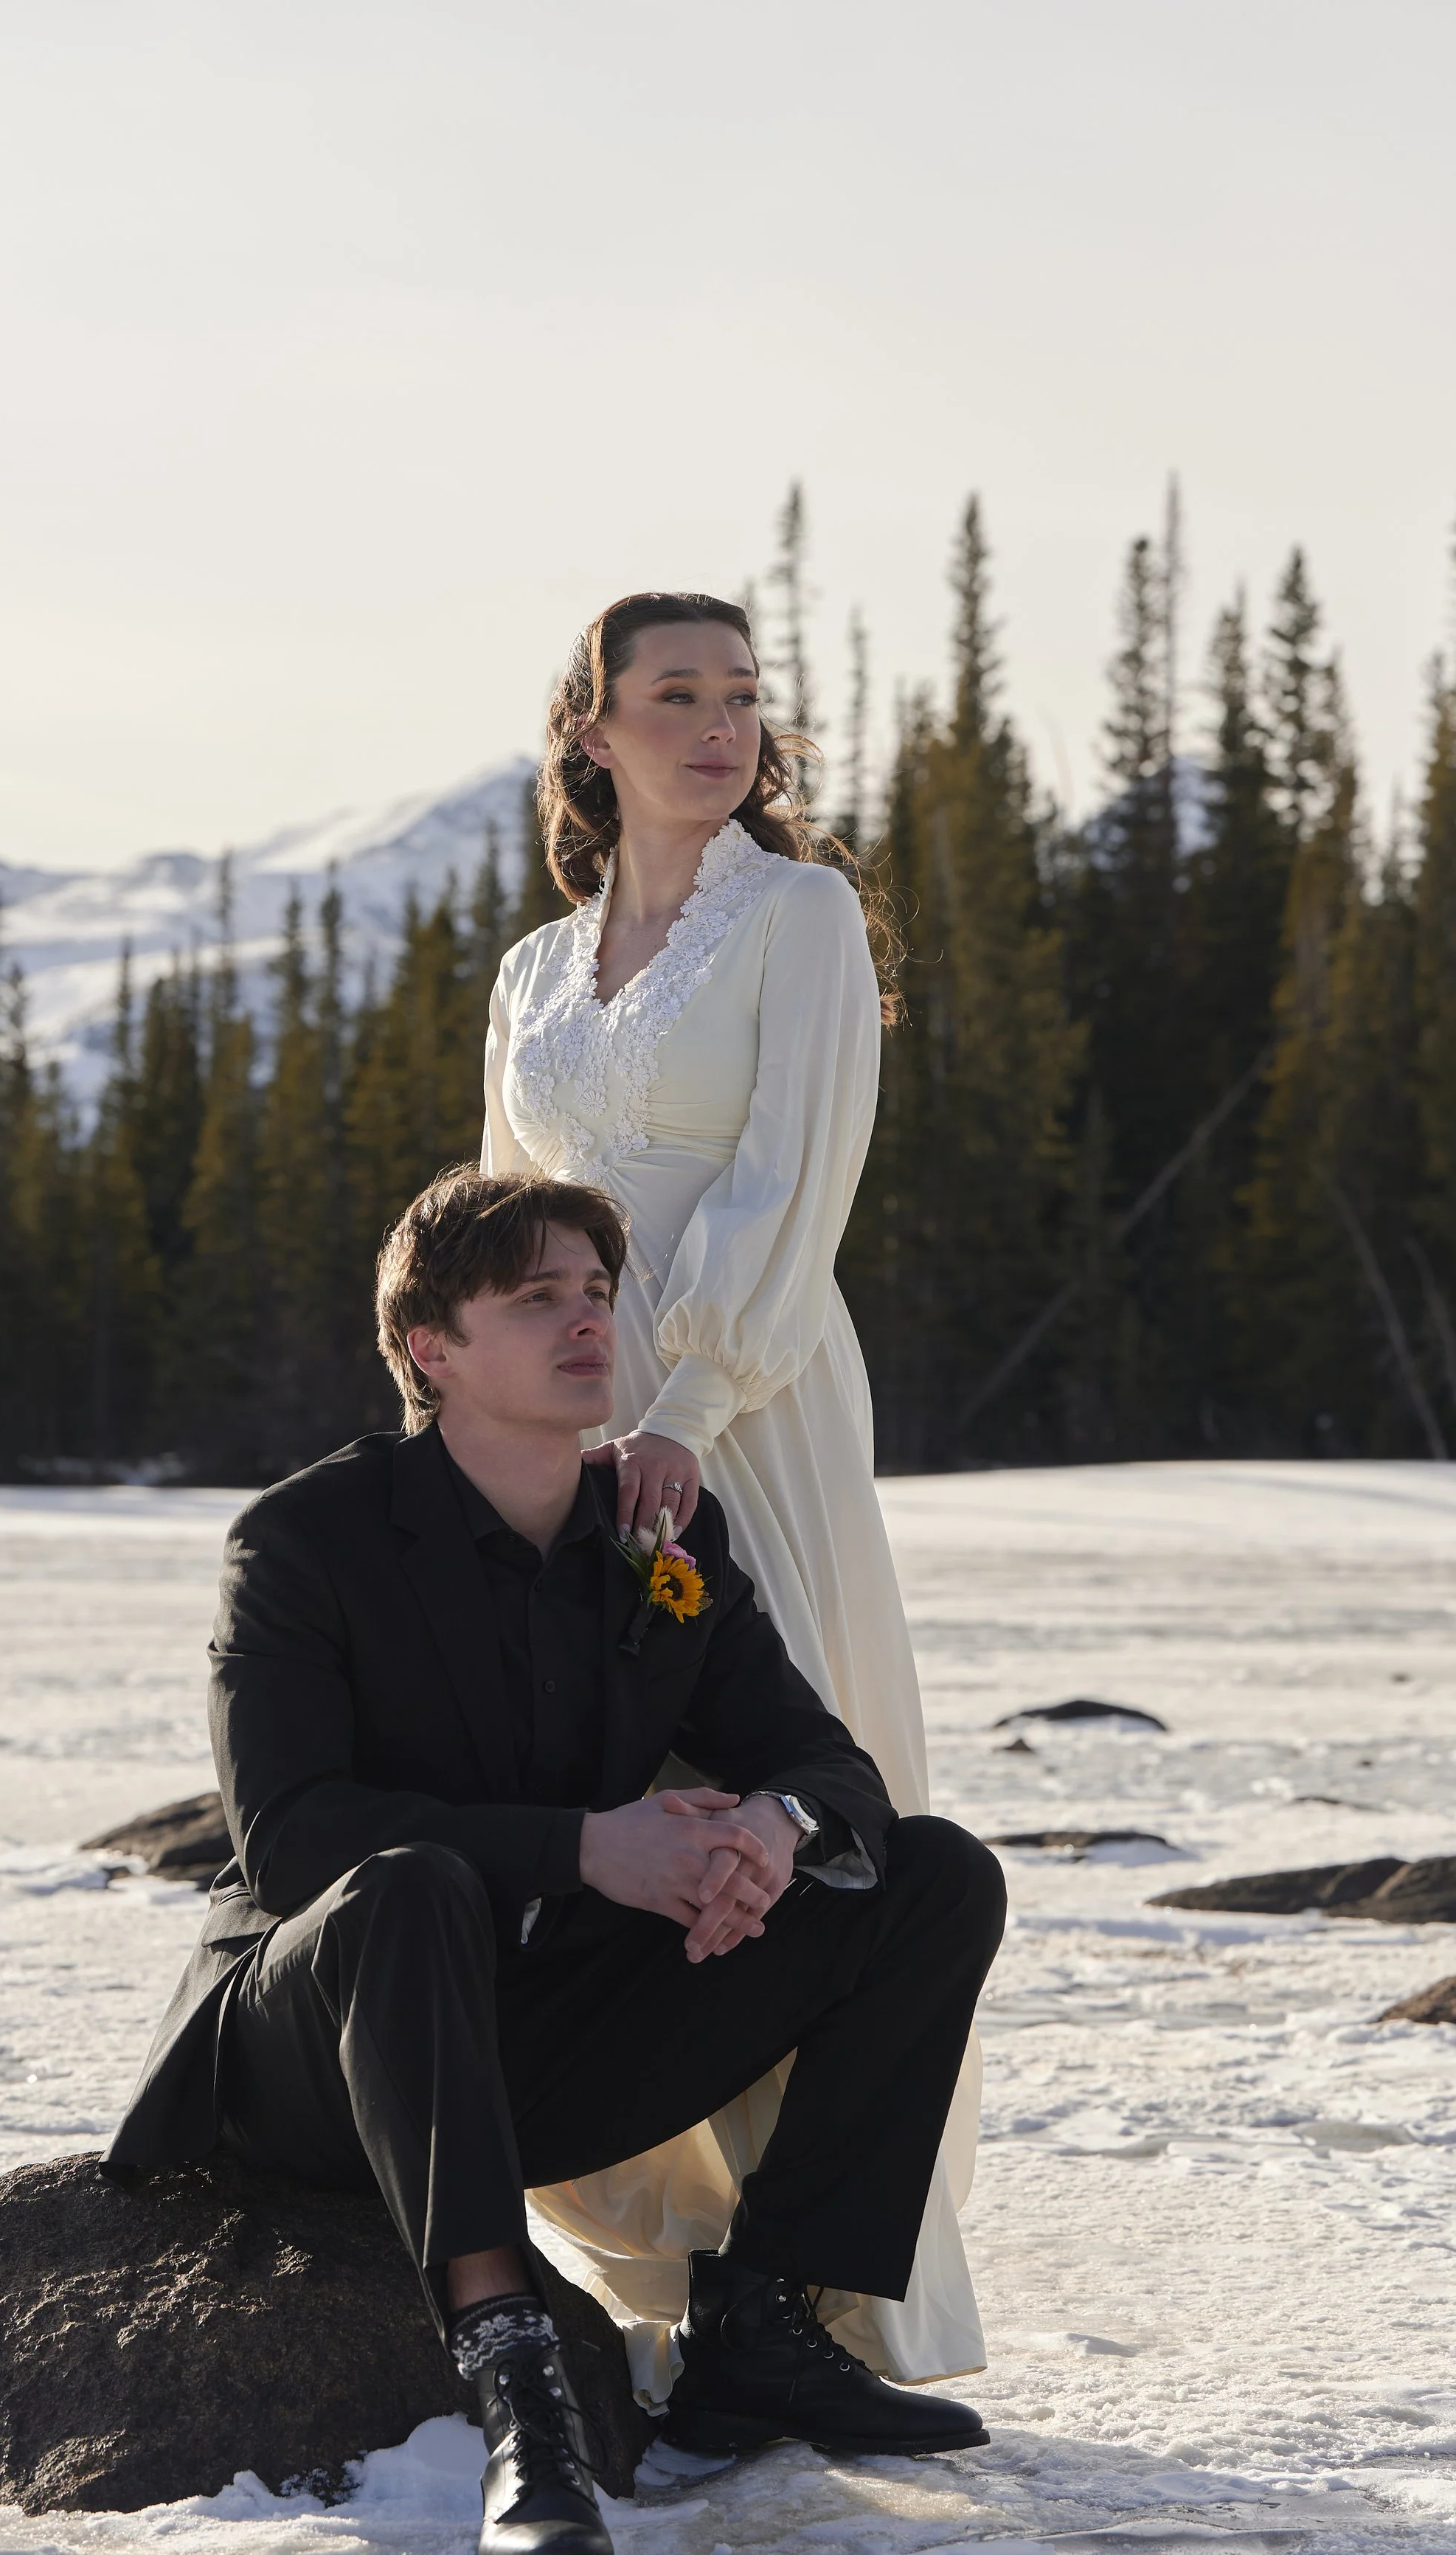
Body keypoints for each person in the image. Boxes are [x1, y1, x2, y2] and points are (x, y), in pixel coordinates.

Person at [107, 1167, 1004, 2555]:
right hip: (331, 2053)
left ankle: (761, 2327)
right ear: (431, 1348)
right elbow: (290, 1837)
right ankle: (517, 2384)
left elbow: (827, 1763)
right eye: (538, 1298)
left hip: (548, 2042)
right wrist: (590, 1846)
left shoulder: (660, 1537)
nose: (590, 1323)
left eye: (596, 1291)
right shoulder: (304, 1539)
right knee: (407, 1887)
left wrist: (771, 1826)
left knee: (932, 1876)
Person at [482, 590, 983, 2392]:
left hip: (741, 1399)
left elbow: (794, 1179)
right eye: (675, 695)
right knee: (621, 1791)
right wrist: (476, 1435)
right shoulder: (532, 973)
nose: (719, 727)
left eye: (744, 697)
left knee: (784, 1772)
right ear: (592, 732)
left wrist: (685, 1405)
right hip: (567, 1422)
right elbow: (490, 1221)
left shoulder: (798, 916)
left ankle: (810, 2288)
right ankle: (671, 2242)